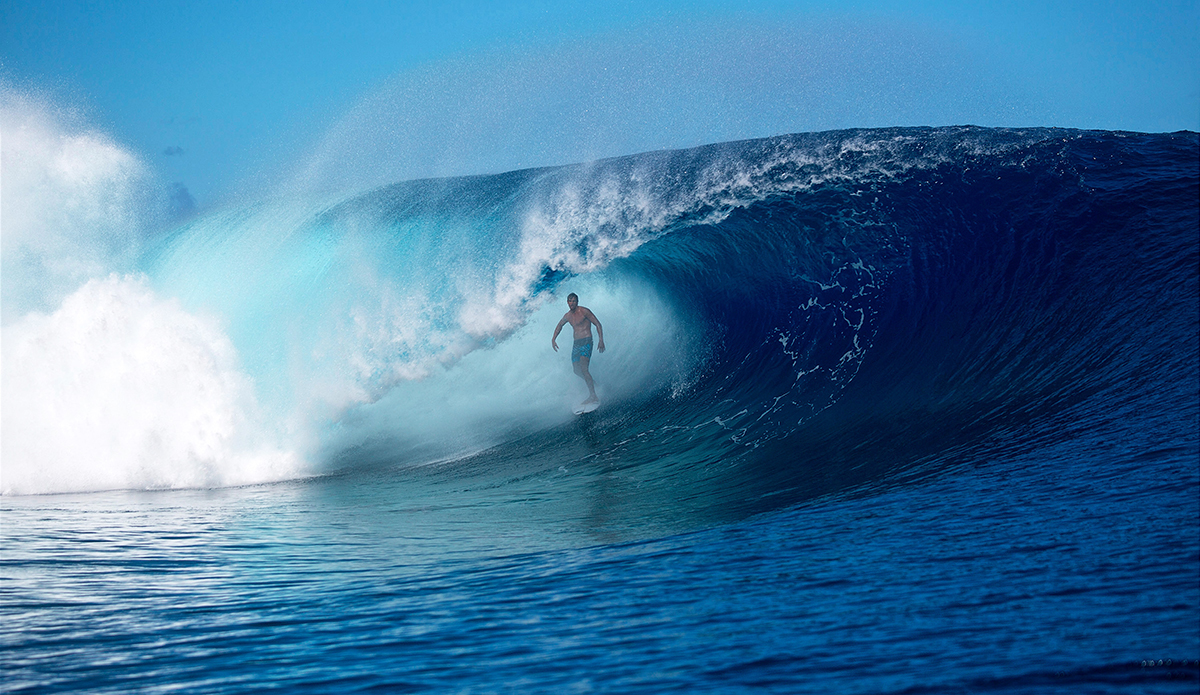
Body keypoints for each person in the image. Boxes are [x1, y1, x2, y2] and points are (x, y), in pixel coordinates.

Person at [551, 293, 605, 404]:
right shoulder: (567, 316)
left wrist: (601, 339)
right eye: (570, 301)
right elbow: (560, 325)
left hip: (586, 341)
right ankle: (594, 384)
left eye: (574, 301)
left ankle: (593, 396)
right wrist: (553, 339)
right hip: (576, 344)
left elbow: (597, 324)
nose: (572, 303)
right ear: (567, 302)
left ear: (577, 302)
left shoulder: (584, 311)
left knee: (584, 369)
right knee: (576, 370)